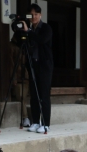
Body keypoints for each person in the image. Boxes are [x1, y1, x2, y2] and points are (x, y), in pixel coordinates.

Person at [22, 3, 53, 134]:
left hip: (44, 65)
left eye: (36, 14)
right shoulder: (28, 29)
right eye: (31, 15)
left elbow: (42, 40)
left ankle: (46, 124)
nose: (33, 17)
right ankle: (35, 122)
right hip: (32, 65)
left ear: (40, 15)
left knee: (44, 95)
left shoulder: (46, 28)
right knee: (34, 95)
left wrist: (28, 31)